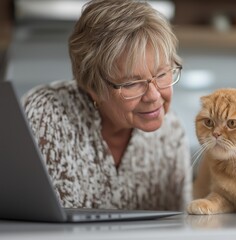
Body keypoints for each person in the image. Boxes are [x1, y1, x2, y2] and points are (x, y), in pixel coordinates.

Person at [22, 0, 191, 211]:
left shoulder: (171, 132)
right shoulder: (45, 116)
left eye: (163, 74)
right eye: (131, 83)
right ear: (93, 86)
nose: (154, 96)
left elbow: (180, 225)